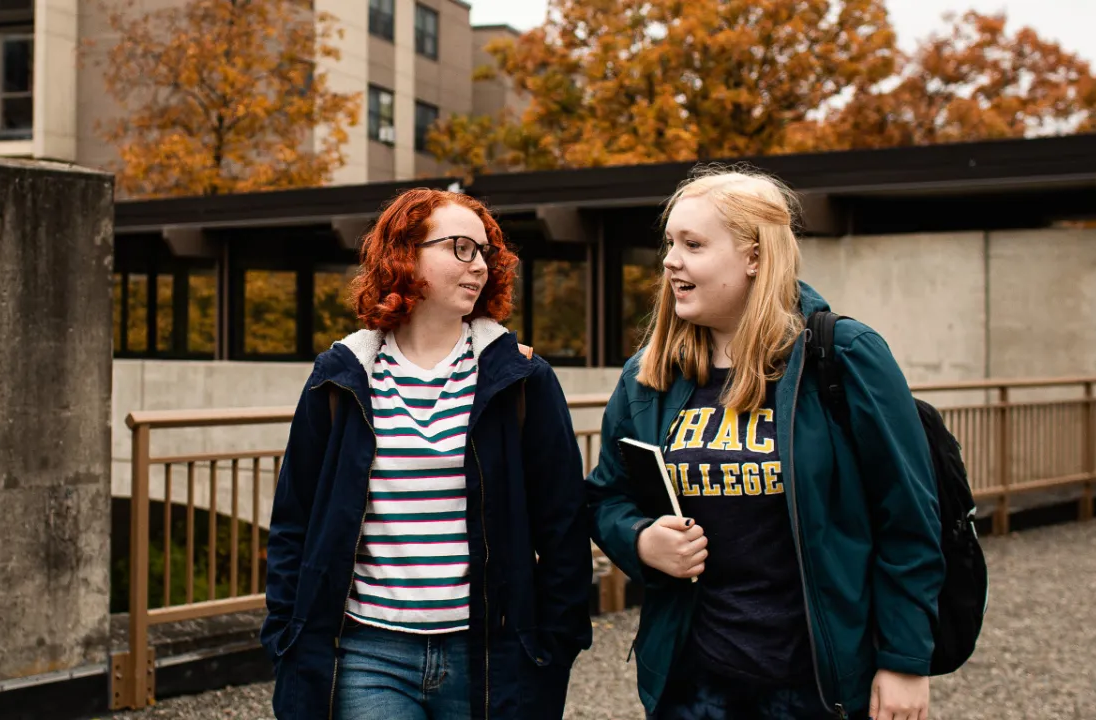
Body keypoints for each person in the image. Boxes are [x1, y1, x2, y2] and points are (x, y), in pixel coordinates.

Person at [586, 167, 944, 720]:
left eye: (693, 245)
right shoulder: (649, 374)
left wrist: (905, 660)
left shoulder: (844, 356)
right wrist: (640, 540)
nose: (670, 261)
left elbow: (909, 519)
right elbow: (605, 496)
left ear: (754, 256)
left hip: (816, 685)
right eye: (670, 243)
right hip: (691, 686)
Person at [262, 188, 591, 719]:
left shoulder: (521, 378)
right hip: (367, 654)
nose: (479, 264)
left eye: (485, 252)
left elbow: (563, 526)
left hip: (490, 654)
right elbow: (292, 520)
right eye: (461, 247)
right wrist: (286, 635)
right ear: (405, 255)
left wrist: (554, 645)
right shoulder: (341, 377)